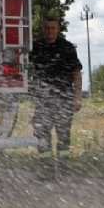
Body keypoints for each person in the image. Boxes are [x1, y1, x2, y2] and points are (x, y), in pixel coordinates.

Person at [30, 15, 83, 158]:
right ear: (43, 29)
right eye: (47, 28)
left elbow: (76, 73)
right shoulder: (36, 46)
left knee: (63, 133)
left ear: (58, 29)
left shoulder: (67, 47)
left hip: (64, 97)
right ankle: (46, 166)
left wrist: (78, 97)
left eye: (53, 28)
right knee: (40, 131)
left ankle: (63, 167)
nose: (50, 31)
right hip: (44, 98)